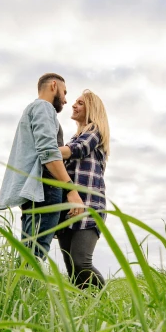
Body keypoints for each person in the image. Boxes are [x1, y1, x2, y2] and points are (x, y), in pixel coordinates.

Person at [0, 73, 85, 259]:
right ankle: (27, 287)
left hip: (34, 191)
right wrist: (71, 190)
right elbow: (49, 152)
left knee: (28, 253)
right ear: (54, 86)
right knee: (35, 254)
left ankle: (20, 288)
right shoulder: (44, 108)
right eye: (65, 92)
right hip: (45, 189)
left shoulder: (31, 110)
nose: (66, 100)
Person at [57, 89, 109, 288]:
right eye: (75, 102)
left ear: (91, 109)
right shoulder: (73, 137)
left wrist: (44, 151)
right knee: (72, 271)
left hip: (89, 205)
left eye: (80, 103)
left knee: (81, 263)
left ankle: (106, 305)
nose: (73, 105)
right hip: (69, 206)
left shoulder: (95, 130)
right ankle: (87, 314)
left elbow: (77, 150)